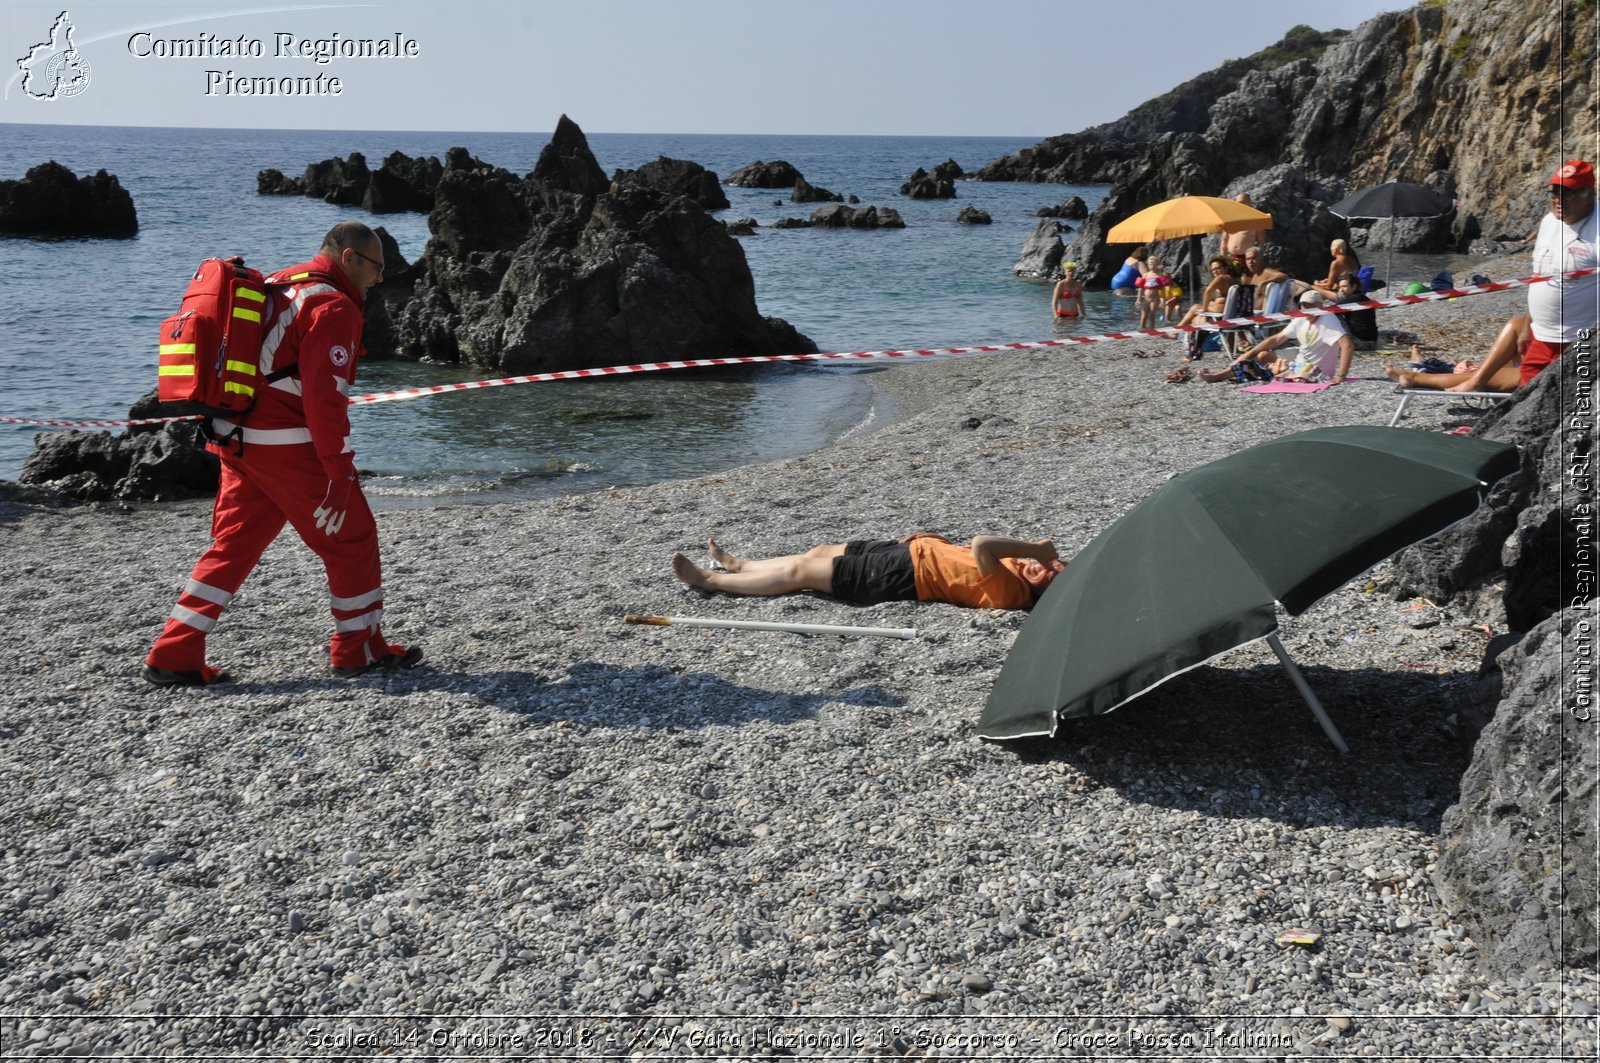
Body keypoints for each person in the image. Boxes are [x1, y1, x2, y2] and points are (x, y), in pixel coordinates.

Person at [142, 221, 422, 686]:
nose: (378, 277)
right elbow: (324, 396)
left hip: (237, 438)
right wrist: (339, 469)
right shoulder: (332, 305)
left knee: (233, 545)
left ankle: (175, 651)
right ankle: (358, 649)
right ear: (348, 257)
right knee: (352, 538)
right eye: (376, 266)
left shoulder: (278, 284)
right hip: (288, 447)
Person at [671, 533, 1065, 611]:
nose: (1045, 566)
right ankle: (744, 567)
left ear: (1044, 592)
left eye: (1050, 573)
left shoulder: (1013, 593)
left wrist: (1039, 550)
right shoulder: (1023, 571)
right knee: (820, 551)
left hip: (903, 576)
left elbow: (982, 545)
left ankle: (711, 581)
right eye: (1056, 564)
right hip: (911, 551)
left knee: (801, 571)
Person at [1522, 159, 1598, 384]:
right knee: (1524, 406)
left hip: (1583, 341)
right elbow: (1539, 276)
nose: (1558, 199)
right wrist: (1528, 324)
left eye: (1568, 192)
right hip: (1541, 337)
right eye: (1554, 191)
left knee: (1575, 411)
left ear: (1589, 194)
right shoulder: (1548, 222)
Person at [1200, 290, 1353, 384]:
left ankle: (1220, 376)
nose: (1306, 309)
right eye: (1303, 305)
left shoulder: (1327, 319)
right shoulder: (1301, 318)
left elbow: (1347, 345)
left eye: (1310, 305)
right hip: (1300, 363)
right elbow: (1275, 339)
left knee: (1266, 368)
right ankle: (1231, 369)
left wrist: (1341, 375)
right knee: (1262, 355)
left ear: (1320, 306)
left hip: (1316, 372)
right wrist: (1245, 356)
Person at [1382, 316, 1530, 393]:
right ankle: (1478, 373)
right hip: (1537, 354)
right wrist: (1478, 366)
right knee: (1517, 323)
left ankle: (1416, 377)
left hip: (1540, 367)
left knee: (1480, 375)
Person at [1221, 193, 1266, 266]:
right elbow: (1224, 241)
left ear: (1249, 203)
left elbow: (1261, 241)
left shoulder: (1256, 220)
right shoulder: (1229, 220)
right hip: (1231, 258)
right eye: (1238, 203)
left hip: (1248, 258)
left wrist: (1260, 259)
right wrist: (1223, 259)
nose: (1240, 205)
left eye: (1242, 202)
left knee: (1246, 277)